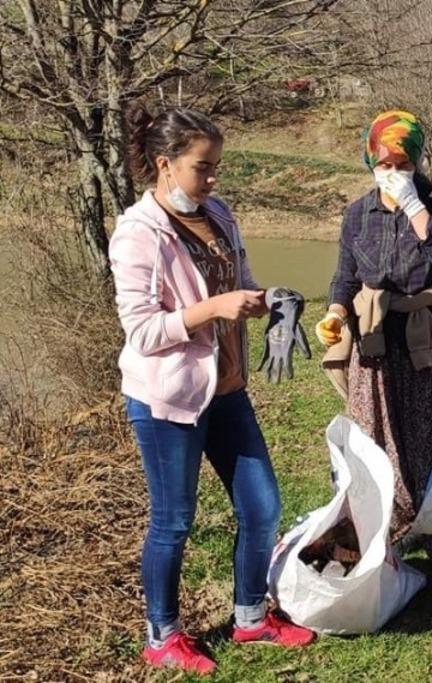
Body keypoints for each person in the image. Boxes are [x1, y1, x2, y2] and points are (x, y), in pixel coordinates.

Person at [110, 106, 316, 675]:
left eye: (217, 166)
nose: (213, 178)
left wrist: (273, 298)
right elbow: (144, 331)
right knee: (174, 520)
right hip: (168, 399)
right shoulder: (138, 234)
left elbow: (241, 286)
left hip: (225, 389)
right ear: (165, 165)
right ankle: (163, 635)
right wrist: (212, 310)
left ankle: (250, 618)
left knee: (262, 505)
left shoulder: (218, 215)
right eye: (204, 167)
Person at [314, 110, 432, 580]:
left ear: (417, 162)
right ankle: (385, 532)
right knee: (376, 441)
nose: (393, 174)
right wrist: (335, 312)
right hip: (377, 342)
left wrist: (415, 208)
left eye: (403, 164)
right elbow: (346, 275)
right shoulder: (357, 214)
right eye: (384, 164)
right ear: (370, 161)